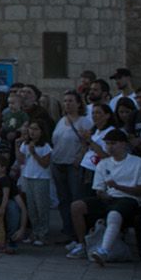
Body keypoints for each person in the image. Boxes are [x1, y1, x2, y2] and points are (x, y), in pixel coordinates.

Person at [68, 129, 141, 265]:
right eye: (107, 144)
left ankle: (104, 251)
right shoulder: (103, 164)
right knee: (76, 206)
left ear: (124, 144)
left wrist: (119, 187)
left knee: (114, 213)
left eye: (113, 143)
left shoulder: (138, 163)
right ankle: (81, 245)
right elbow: (99, 189)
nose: (110, 147)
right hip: (109, 198)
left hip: (129, 199)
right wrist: (103, 194)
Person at [51, 89, 92, 237]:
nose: (67, 104)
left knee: (76, 198)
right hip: (58, 163)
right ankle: (67, 230)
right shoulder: (61, 121)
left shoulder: (84, 122)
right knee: (63, 199)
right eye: (65, 101)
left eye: (71, 101)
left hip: (73, 165)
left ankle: (78, 233)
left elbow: (88, 143)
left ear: (78, 103)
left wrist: (80, 157)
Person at [17, 120, 54, 246]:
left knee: (41, 207)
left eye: (36, 129)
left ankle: (42, 234)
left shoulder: (45, 146)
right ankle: (34, 232)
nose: (32, 132)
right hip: (28, 177)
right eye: (31, 129)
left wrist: (34, 153)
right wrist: (18, 147)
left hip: (41, 178)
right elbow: (21, 160)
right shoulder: (25, 144)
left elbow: (45, 164)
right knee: (31, 207)